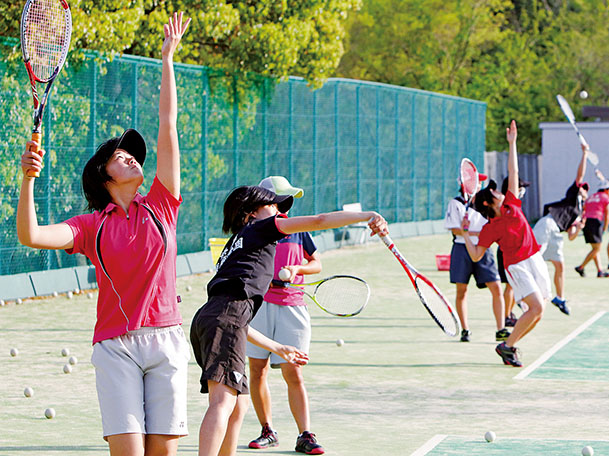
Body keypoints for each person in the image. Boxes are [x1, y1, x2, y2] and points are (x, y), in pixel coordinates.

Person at [17, 13, 191, 456]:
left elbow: (168, 126)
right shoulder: (91, 227)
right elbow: (32, 235)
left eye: (133, 155)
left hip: (166, 339)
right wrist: (27, 180)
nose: (132, 159)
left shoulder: (162, 205)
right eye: (120, 156)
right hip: (115, 347)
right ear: (103, 174)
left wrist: (167, 58)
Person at [190, 186, 388, 456]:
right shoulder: (262, 228)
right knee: (223, 402)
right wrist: (368, 215)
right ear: (251, 214)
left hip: (210, 318)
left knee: (239, 404)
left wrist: (277, 347)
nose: (280, 212)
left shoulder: (237, 243)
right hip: (225, 318)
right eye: (273, 207)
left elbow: (233, 318)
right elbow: (319, 220)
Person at [245, 176, 325, 455]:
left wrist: (296, 270)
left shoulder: (298, 228)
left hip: (293, 307)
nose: (285, 203)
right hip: (259, 307)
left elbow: (317, 263)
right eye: (280, 197)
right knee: (257, 371)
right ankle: (267, 430)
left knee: (294, 373)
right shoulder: (253, 229)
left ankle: (305, 434)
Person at [462, 120, 551, 368]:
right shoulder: (490, 229)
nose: (499, 191)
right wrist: (466, 234)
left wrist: (512, 143)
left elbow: (513, 172)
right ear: (489, 203)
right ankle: (508, 347)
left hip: (534, 258)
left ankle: (508, 345)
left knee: (539, 311)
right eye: (494, 192)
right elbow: (478, 255)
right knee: (535, 309)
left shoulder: (512, 204)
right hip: (518, 266)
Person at [444, 173, 509, 343]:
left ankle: (501, 329)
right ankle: (465, 330)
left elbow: (494, 225)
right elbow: (454, 230)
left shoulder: (485, 203)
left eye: (480, 182)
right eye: (475, 181)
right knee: (461, 290)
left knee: (496, 287)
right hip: (461, 248)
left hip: (483, 248)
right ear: (464, 183)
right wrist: (466, 231)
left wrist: (473, 232)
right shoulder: (456, 203)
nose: (478, 184)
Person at [531, 143, 591, 316]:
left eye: (586, 189)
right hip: (547, 225)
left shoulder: (579, 211)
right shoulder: (573, 195)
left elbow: (571, 236)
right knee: (533, 261)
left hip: (557, 233)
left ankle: (560, 298)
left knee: (560, 266)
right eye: (582, 187)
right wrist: (585, 153)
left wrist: (579, 227)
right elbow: (580, 175)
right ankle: (524, 296)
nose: (583, 189)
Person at [496, 175, 531, 328]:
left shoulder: (511, 204)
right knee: (510, 285)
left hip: (513, 249)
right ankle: (505, 316)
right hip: (506, 249)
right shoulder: (506, 204)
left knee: (511, 285)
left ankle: (508, 313)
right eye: (519, 187)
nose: (522, 191)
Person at [574, 182, 609, 278]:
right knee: (597, 248)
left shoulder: (591, 197)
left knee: (595, 248)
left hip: (586, 222)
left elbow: (584, 209)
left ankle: (600, 271)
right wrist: (605, 228)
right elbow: (607, 215)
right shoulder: (607, 198)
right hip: (595, 222)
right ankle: (581, 267)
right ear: (606, 190)